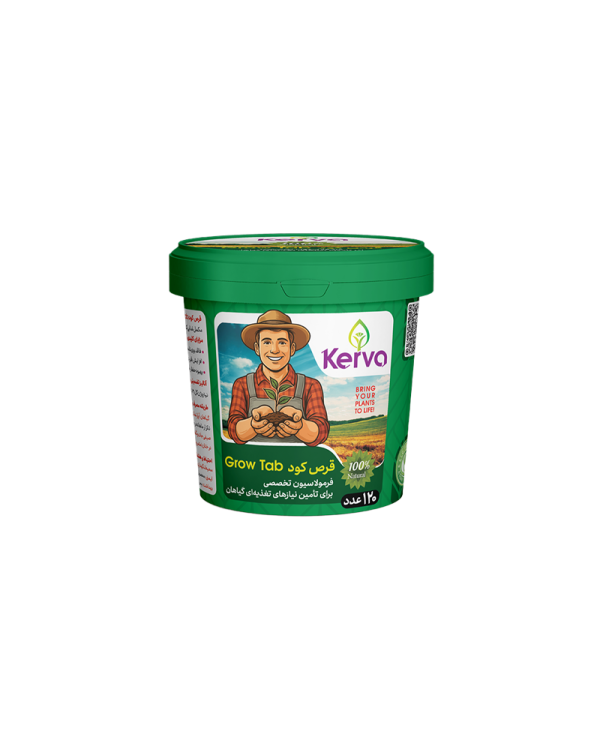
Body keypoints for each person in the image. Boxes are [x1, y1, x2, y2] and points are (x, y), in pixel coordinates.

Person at [227, 310, 329, 446]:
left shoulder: (310, 385)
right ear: (257, 348)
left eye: (282, 342)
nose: (274, 350)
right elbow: (233, 429)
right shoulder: (242, 384)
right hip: (254, 458)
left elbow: (321, 430)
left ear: (292, 349)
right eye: (267, 342)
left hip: (299, 459)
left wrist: (300, 426)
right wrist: (252, 424)